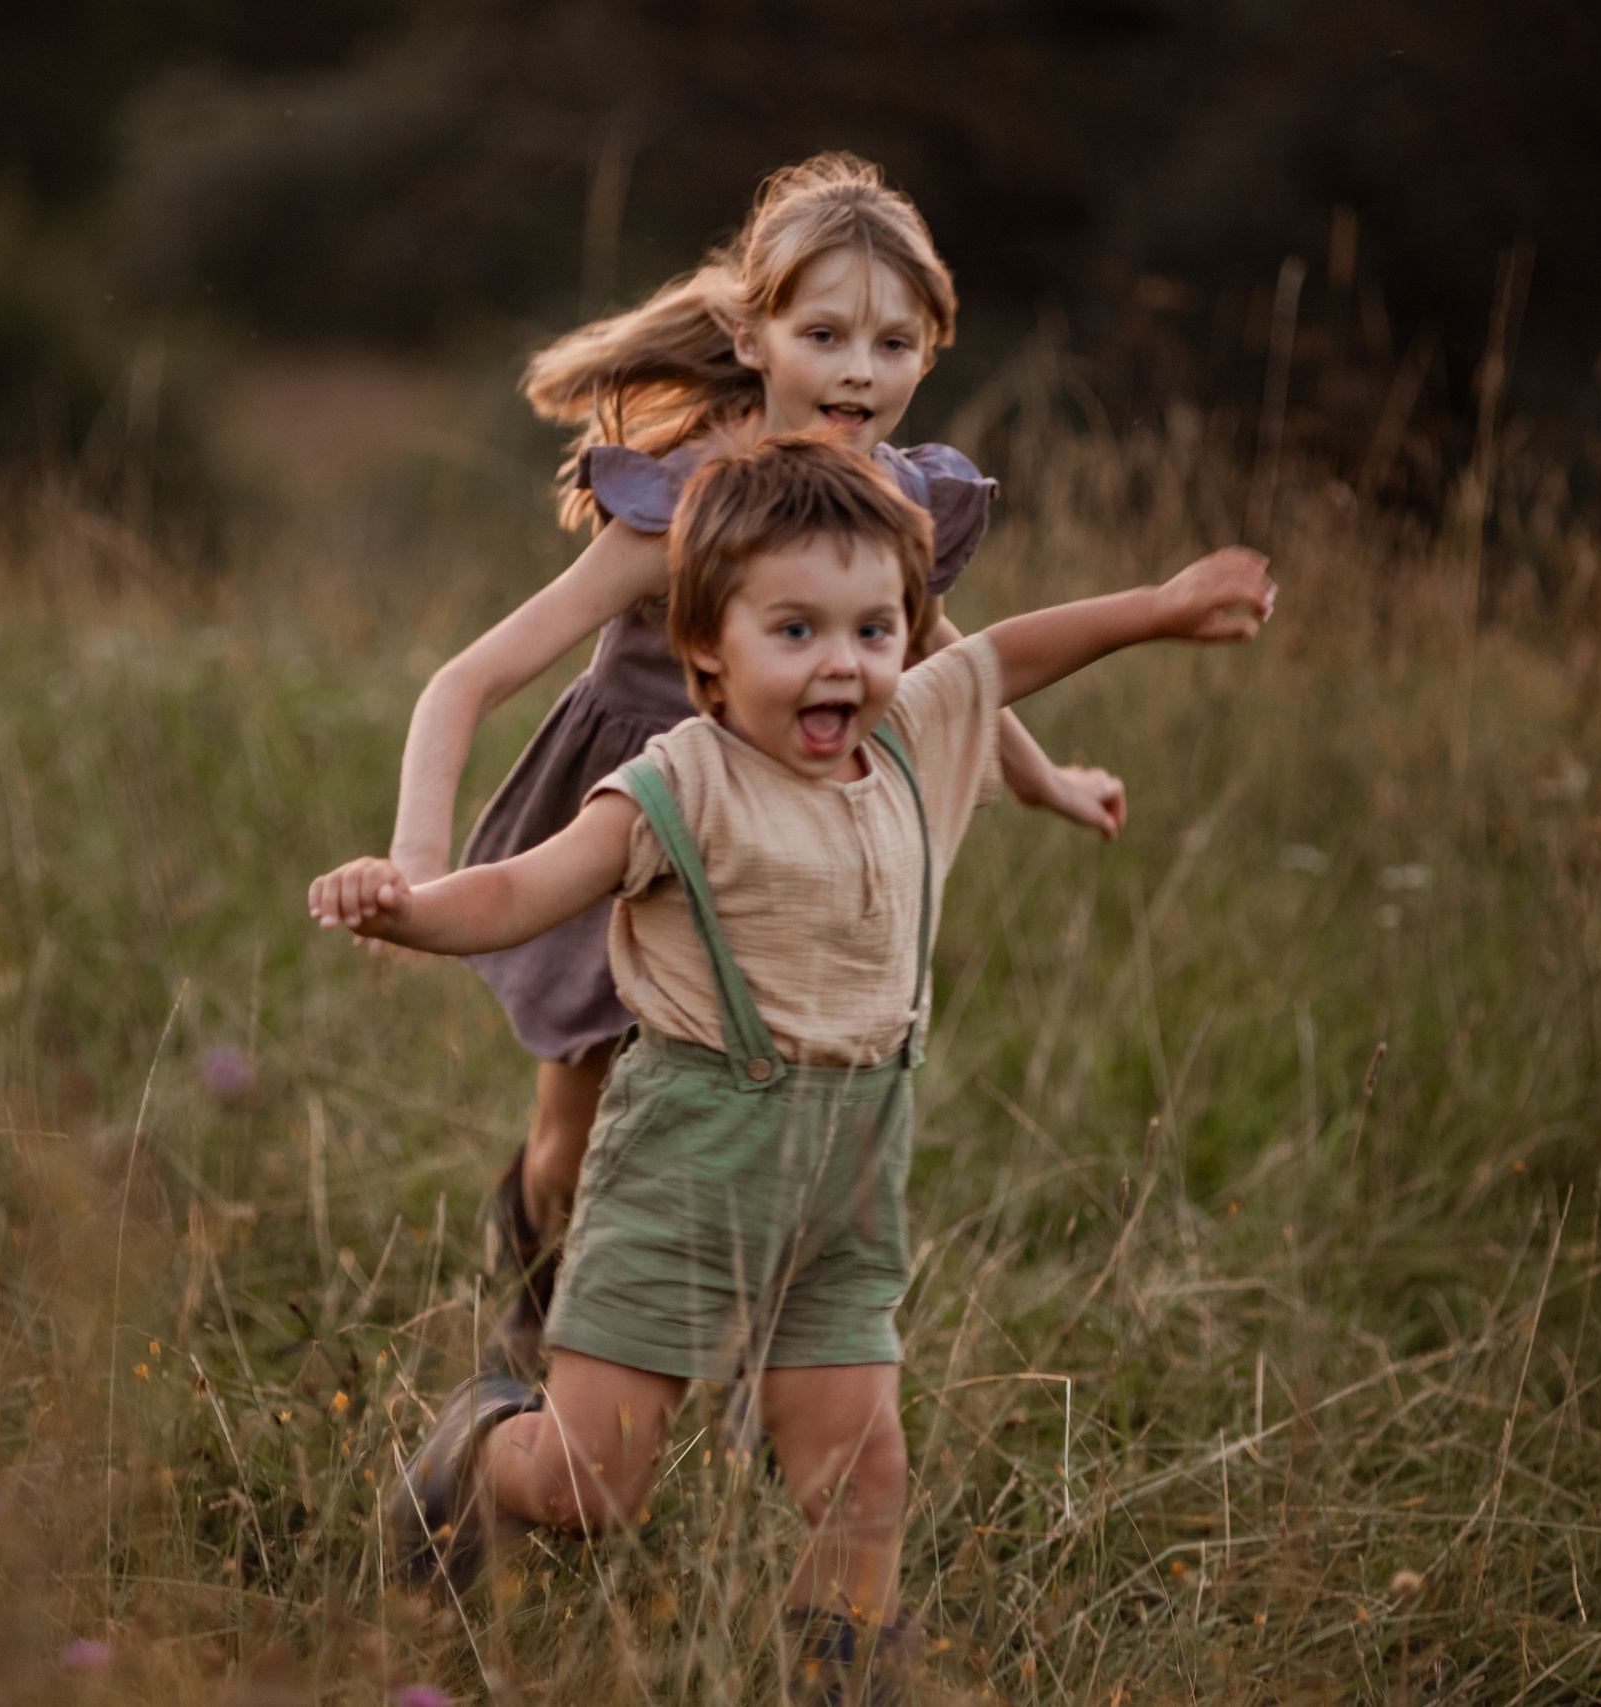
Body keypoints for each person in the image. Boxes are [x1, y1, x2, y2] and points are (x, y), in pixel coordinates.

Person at [311, 435, 1274, 1699]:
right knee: (594, 1488)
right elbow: (516, 890)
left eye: (876, 630)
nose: (846, 663)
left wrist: (1156, 610)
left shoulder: (915, 739)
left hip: (849, 1175)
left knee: (861, 1468)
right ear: (708, 648)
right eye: (798, 632)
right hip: (686, 1160)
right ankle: (472, 1458)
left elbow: (1012, 652)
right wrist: (405, 905)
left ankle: (842, 1679)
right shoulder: (676, 784)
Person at [385, 154, 1127, 1372]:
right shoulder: (683, 508)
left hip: (785, 837)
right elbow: (465, 679)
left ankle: (768, 1374)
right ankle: (531, 1304)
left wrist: (1046, 782)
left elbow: (948, 668)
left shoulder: (891, 504)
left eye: (893, 344)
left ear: (931, 354)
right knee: (577, 1139)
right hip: (633, 817)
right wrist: (416, 866)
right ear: (754, 331)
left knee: (777, 1108)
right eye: (824, 332)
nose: (856, 371)